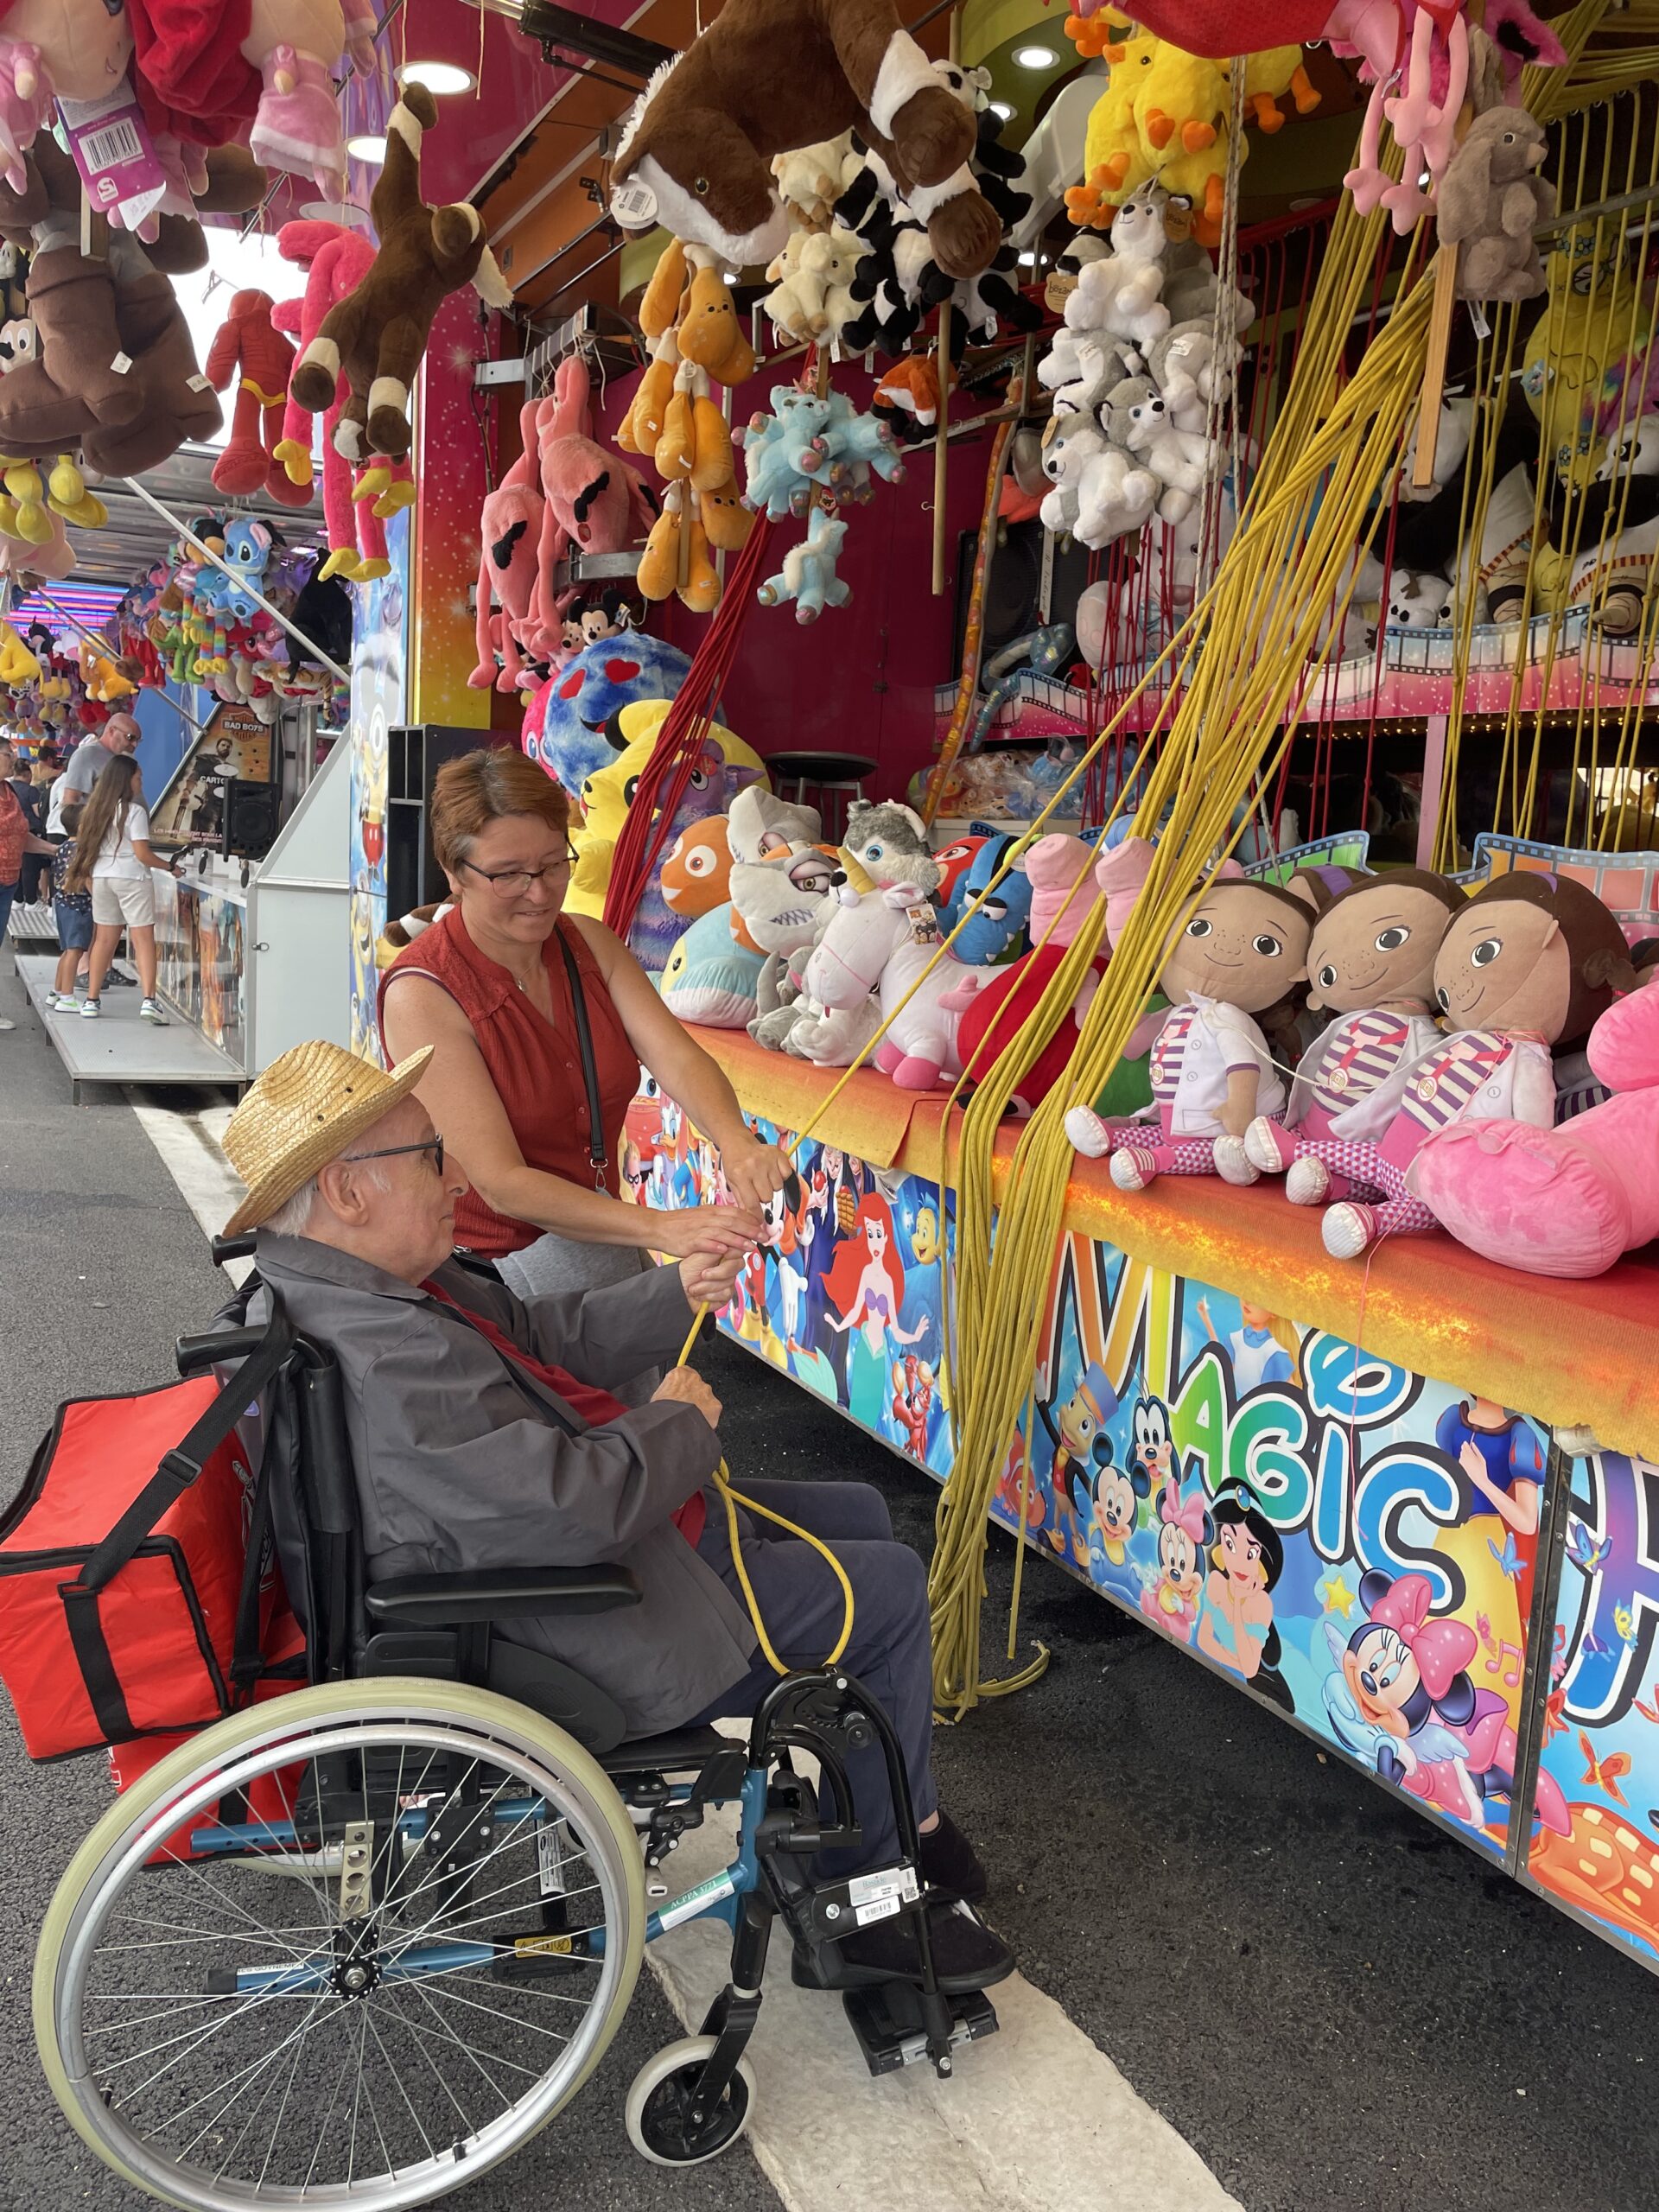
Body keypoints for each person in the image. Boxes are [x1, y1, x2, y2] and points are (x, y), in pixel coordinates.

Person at [219, 1039, 1001, 1983]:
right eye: (430, 1155)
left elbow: (536, 1338)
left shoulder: (361, 1291)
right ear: (347, 1191)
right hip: (566, 1619)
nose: (457, 1176)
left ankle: (895, 1809)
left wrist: (677, 1285)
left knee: (863, 1512)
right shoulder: (387, 1354)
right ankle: (868, 1907)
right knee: (889, 1590)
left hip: (564, 1566)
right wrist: (677, 1425)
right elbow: (568, 1508)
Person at [379, 747, 789, 1401]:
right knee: (590, 1439)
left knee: (640, 1427)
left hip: (595, 1242)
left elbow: (678, 1057)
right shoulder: (422, 993)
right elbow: (503, 1184)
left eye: (553, 865)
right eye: (509, 875)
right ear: (454, 873)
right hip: (491, 1272)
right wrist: (664, 1229)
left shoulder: (589, 944)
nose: (540, 892)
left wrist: (735, 1140)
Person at [63, 753, 176, 1023]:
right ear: (126, 780)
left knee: (103, 940)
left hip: (102, 878)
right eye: (138, 777)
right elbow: (142, 854)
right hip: (132, 879)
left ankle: (91, 1000)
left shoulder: (94, 810)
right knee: (143, 939)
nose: (141, 782)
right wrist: (170, 866)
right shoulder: (134, 812)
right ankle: (149, 1001)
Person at [0, 737, 55, 1029]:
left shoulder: (9, 791)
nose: (13, 758)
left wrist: (55, 850)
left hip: (8, 881)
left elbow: (21, 836)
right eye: (7, 753)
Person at [44, 800, 94, 1013]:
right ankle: (67, 997)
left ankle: (56, 992)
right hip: (79, 906)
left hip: (64, 904)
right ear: (83, 827)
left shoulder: (63, 847)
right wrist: (99, 898)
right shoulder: (82, 851)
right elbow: (86, 878)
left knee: (67, 951)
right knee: (75, 951)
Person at [59, 709, 139, 817]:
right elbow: (70, 801)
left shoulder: (126, 757)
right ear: (112, 731)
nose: (134, 744)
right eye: (130, 737)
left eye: (138, 740)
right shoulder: (86, 755)